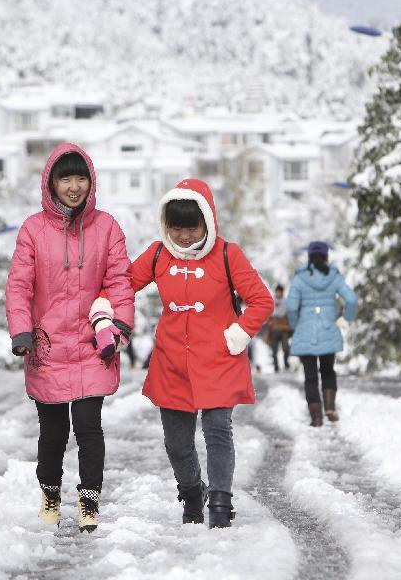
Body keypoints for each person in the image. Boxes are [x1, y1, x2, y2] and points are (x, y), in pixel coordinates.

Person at [5, 143, 134, 533]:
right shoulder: (33, 229)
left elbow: (119, 281)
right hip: (46, 348)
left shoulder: (107, 226)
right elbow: (19, 285)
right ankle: (50, 496)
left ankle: (89, 500)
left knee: (89, 428)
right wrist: (21, 331)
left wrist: (121, 324)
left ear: (91, 182)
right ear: (52, 183)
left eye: (81, 178)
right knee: (53, 432)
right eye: (66, 178)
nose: (74, 186)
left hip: (93, 346)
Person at [131, 178, 273, 528]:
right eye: (176, 227)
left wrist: (238, 334)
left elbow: (261, 300)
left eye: (191, 227)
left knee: (217, 431)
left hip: (218, 360)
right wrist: (107, 311)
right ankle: (193, 491)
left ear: (207, 222)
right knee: (177, 444)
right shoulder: (158, 254)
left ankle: (221, 503)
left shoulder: (228, 254)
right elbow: (122, 284)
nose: (183, 236)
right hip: (171, 362)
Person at [287, 241, 358, 426]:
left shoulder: (300, 278)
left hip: (306, 332)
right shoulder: (333, 277)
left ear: (309, 257)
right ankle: (330, 408)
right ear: (326, 257)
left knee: (310, 377)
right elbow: (351, 299)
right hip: (328, 330)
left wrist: (296, 325)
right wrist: (345, 319)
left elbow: (291, 306)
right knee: (328, 371)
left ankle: (316, 418)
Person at [267, 284, 293, 372]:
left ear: (282, 292)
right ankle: (276, 367)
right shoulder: (271, 301)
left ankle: (286, 363)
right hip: (274, 328)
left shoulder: (286, 302)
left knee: (286, 348)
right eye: (277, 291)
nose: (278, 293)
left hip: (284, 328)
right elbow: (268, 314)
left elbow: (289, 314)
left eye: (279, 292)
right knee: (274, 349)